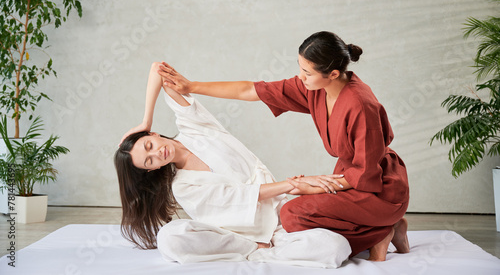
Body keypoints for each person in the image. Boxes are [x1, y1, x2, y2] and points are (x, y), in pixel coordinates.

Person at [157, 31, 411, 261]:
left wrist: (313, 187)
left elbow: (367, 172)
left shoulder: (360, 106)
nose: (301, 77)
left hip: (378, 189)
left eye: (307, 72)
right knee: (295, 215)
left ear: (333, 74)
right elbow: (252, 90)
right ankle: (383, 230)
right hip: (348, 179)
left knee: (293, 215)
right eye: (300, 68)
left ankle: (381, 231)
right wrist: (191, 87)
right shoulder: (315, 87)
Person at [114, 62, 351, 268]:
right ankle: (254, 249)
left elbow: (159, 70)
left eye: (148, 145)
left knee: (335, 247)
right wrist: (292, 184)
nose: (156, 153)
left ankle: (266, 248)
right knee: (170, 239)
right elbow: (239, 197)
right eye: (149, 161)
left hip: (278, 218)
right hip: (237, 235)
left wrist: (145, 119)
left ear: (152, 134)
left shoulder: (193, 127)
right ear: (152, 169)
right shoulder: (183, 186)